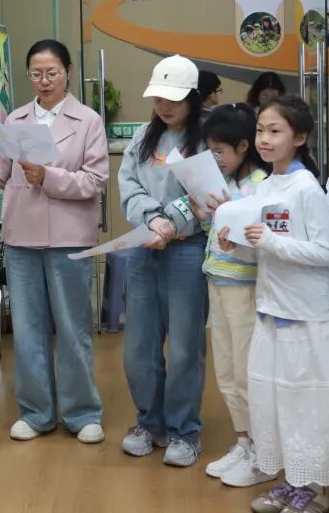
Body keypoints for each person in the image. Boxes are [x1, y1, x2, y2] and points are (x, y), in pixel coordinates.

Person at [219, 96, 329, 513]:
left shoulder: (306, 188)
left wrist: (269, 240)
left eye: (275, 131)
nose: (264, 139)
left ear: (299, 138)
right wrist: (236, 245)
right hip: (272, 311)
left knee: (308, 405)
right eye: (260, 130)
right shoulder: (266, 186)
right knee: (277, 403)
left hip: (308, 316)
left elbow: (326, 252)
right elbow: (264, 251)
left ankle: (316, 490)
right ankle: (292, 479)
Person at [0, 39, 108, 445]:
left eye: (52, 73)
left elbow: (95, 181)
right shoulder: (16, 119)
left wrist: (49, 177)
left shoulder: (88, 120)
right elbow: (3, 174)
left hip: (68, 235)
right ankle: (36, 412)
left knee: (73, 327)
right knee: (27, 330)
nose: (44, 81)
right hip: (21, 235)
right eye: (36, 74)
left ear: (68, 72)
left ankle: (82, 413)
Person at [117, 54, 208, 467]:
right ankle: (148, 423)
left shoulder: (205, 139)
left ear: (193, 97)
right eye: (158, 98)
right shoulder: (142, 137)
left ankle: (184, 431)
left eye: (173, 99)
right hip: (144, 245)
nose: (164, 106)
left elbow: (208, 193)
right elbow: (129, 185)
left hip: (187, 250)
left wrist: (172, 223)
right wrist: (153, 219)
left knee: (185, 345)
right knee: (139, 344)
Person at [188, 104, 272, 489]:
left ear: (242, 146)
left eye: (220, 151)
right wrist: (206, 215)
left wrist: (229, 212)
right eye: (211, 151)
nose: (215, 159)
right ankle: (243, 442)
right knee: (224, 370)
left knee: (245, 372)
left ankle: (262, 452)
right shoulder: (224, 183)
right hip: (217, 280)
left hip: (244, 286)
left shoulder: (261, 185)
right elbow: (216, 232)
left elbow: (257, 240)